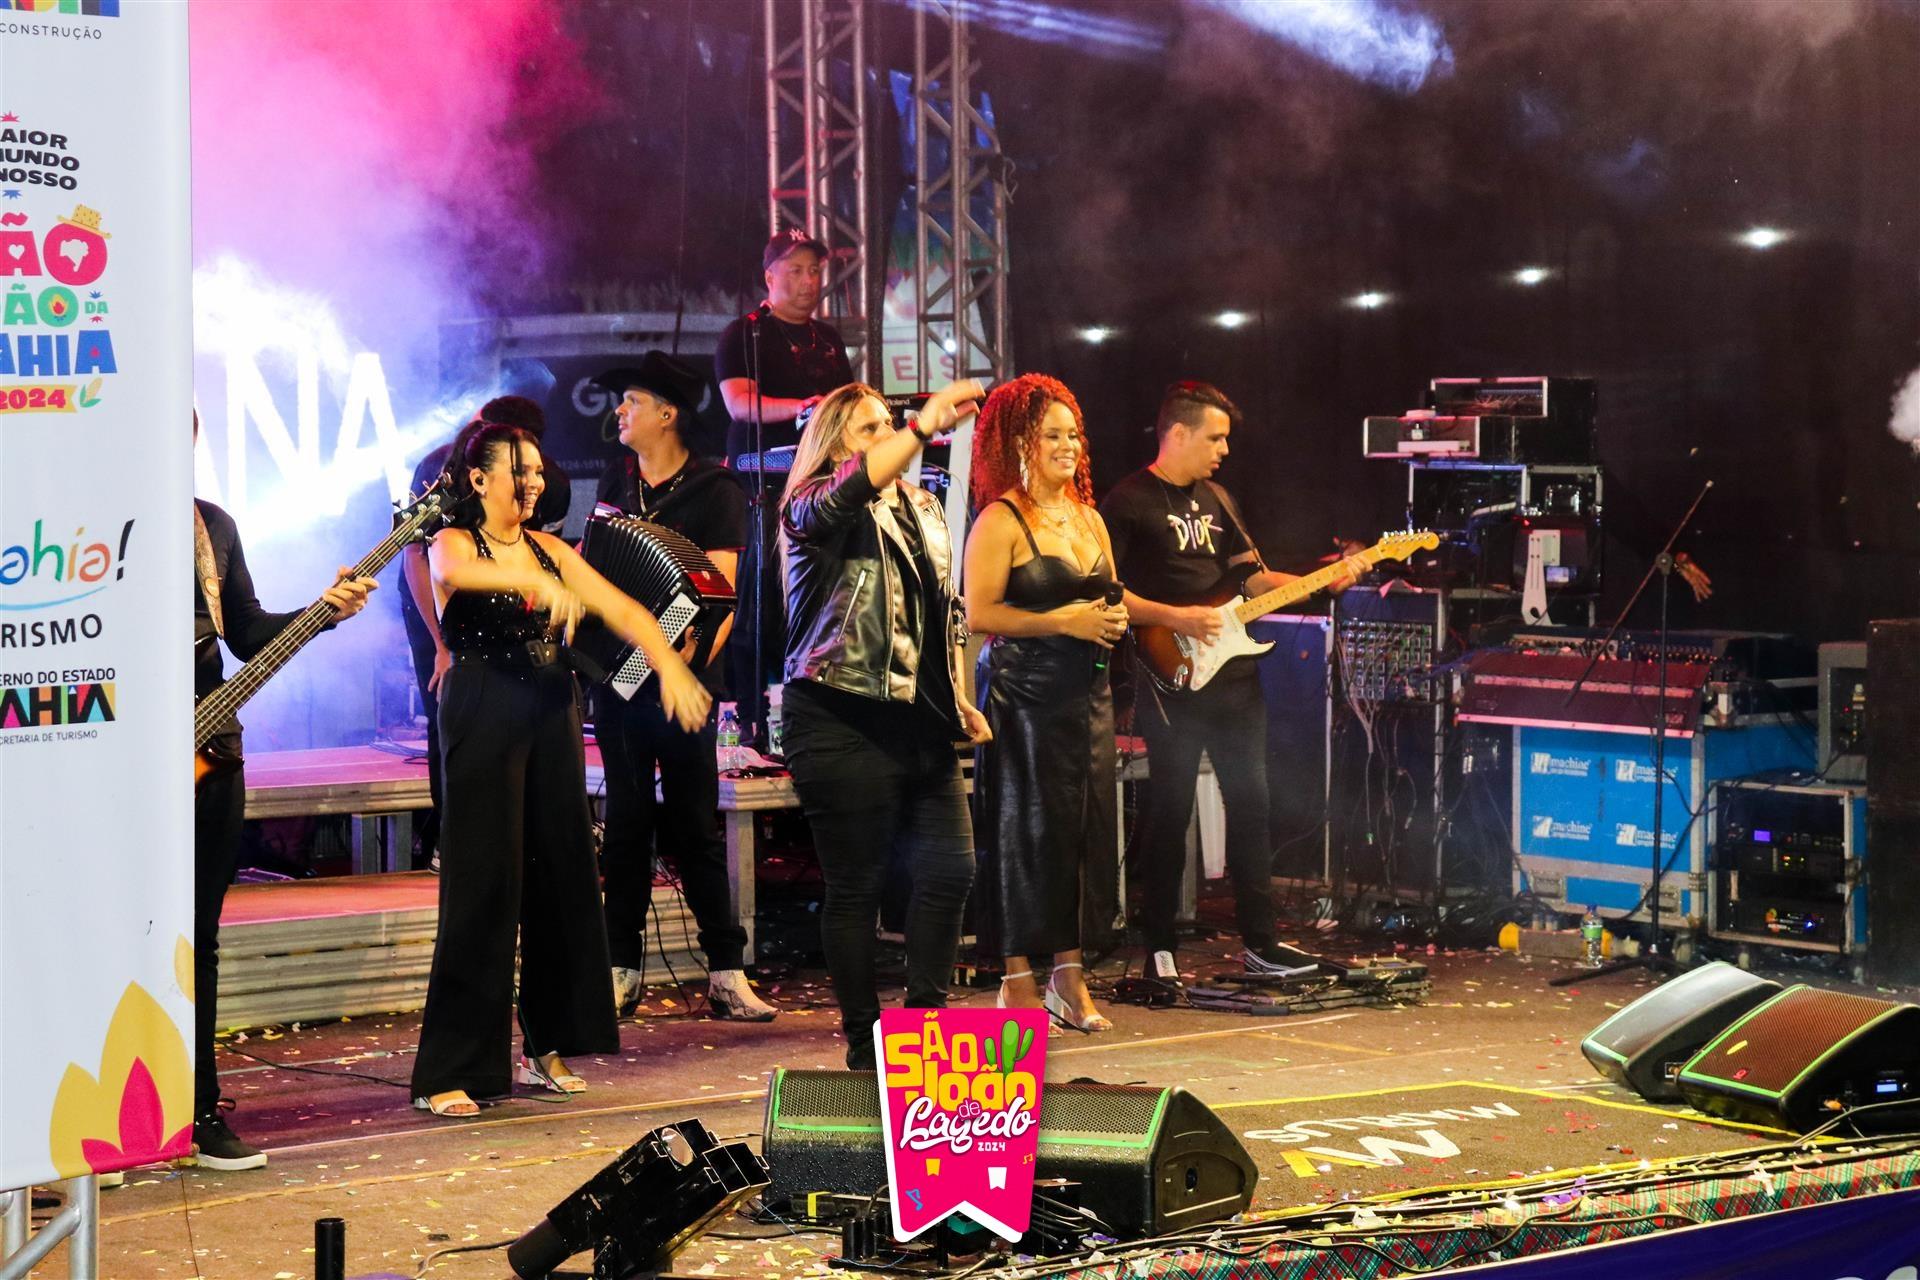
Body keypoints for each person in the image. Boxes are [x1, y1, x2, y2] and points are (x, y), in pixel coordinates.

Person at [410, 420, 710, 1119]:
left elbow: (624, 608)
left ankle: (548, 1043)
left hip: (550, 704)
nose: (535, 481)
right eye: (521, 470)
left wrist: (669, 666)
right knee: (484, 884)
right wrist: (535, 586)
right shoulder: (454, 539)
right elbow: (453, 576)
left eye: (539, 470)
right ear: (480, 479)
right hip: (484, 704)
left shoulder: (549, 548)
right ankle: (450, 1069)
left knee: (563, 872)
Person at [1100, 381, 1357, 991]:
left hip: (1235, 679)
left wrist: (1322, 581)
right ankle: (1159, 948)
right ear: (1178, 433)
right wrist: (1177, 617)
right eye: (1215, 438)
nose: (1224, 450)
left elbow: (1254, 579)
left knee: (1252, 805)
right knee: (1170, 811)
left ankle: (1261, 945)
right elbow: (1106, 591)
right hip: (1172, 674)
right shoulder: (1129, 501)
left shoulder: (1218, 498)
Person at [778, 379, 992, 1070]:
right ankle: (865, 1043)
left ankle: (924, 1031)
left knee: (951, 871)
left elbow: (940, 612)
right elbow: (850, 491)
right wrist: (921, 427)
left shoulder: (923, 506)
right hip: (838, 713)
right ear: (835, 444)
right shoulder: (810, 503)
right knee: (857, 888)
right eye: (870, 429)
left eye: (889, 425)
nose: (890, 437)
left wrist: (956, 695)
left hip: (920, 721)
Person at [194, 409, 377, 1169]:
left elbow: (244, 633)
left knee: (197, 934)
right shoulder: (81, 523)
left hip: (208, 750)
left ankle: (196, 1112)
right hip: (111, 750)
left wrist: (321, 615)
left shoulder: (210, 525)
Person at [589, 353, 776, 1022]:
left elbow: (718, 597)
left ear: (667, 414)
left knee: (696, 826)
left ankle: (726, 971)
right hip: (620, 679)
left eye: (632, 401)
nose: (620, 411)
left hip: (686, 683)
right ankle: (621, 967)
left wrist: (681, 670)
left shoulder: (715, 489)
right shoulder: (617, 481)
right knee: (626, 824)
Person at [963, 375, 1127, 1033]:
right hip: (1024, 699)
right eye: (1051, 434)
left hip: (1088, 698)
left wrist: (1127, 617)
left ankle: (1068, 977)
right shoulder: (999, 520)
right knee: (1023, 837)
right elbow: (979, 613)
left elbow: (1111, 595)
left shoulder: (1089, 517)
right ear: (1018, 443)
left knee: (1082, 835)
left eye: (1073, 434)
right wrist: (1065, 621)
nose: (1067, 445)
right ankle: (1017, 982)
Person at [400, 396, 572, 870]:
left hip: (515, 609)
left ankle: (523, 838)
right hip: (438, 603)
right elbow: (416, 558)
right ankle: (450, 839)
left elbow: (545, 559)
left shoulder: (551, 483)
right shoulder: (439, 468)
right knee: (448, 710)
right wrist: (441, 644)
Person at [714, 229, 856, 745]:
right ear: (769, 277)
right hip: (763, 485)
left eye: (814, 270)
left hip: (821, 487)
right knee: (763, 600)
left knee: (821, 598)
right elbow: (738, 404)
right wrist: (803, 410)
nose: (808, 281)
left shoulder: (829, 339)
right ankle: (755, 715)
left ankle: (817, 708)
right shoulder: (745, 334)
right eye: (795, 270)